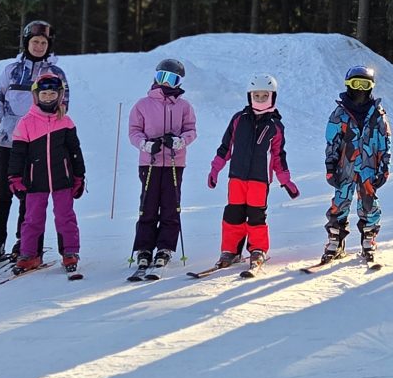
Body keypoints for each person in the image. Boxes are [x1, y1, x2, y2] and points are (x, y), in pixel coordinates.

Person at [0, 19, 69, 267]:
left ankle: (25, 241)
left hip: (38, 143)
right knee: (3, 190)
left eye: (43, 43)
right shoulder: (11, 70)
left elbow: (63, 105)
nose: (38, 46)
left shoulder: (56, 74)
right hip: (9, 140)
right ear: (27, 43)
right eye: (35, 41)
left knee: (30, 193)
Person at [207, 74, 297, 269]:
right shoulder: (239, 119)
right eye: (256, 95)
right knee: (233, 213)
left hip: (259, 179)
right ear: (250, 96)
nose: (260, 99)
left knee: (256, 215)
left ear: (272, 96)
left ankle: (258, 250)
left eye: (265, 96)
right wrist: (215, 169)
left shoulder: (275, 126)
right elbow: (225, 147)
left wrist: (286, 180)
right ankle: (230, 251)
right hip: (236, 177)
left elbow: (278, 156)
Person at [8, 73, 86, 274]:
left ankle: (70, 252)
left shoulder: (66, 121)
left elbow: (75, 151)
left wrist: (79, 176)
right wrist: (15, 177)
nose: (48, 98)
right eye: (44, 94)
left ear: (60, 96)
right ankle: (29, 254)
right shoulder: (26, 122)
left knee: (65, 216)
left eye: (52, 94)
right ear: (36, 96)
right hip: (35, 180)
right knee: (32, 218)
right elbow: (17, 153)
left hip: (62, 179)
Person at [127, 56, 196, 270]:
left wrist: (179, 141)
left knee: (170, 206)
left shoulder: (184, 106)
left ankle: (165, 247)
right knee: (148, 207)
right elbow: (134, 132)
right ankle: (144, 248)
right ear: (156, 78)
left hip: (174, 164)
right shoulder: (143, 105)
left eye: (172, 79)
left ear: (178, 82)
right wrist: (146, 145)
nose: (165, 82)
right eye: (162, 76)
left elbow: (191, 130)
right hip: (150, 163)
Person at [320, 64, 391, 264]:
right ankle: (335, 239)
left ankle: (369, 238)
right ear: (348, 85)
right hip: (345, 167)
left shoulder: (377, 114)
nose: (360, 89)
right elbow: (332, 141)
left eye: (364, 85)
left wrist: (384, 167)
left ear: (371, 87)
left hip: (368, 167)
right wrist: (330, 165)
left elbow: (385, 141)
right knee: (340, 201)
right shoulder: (340, 113)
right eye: (356, 84)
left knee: (368, 202)